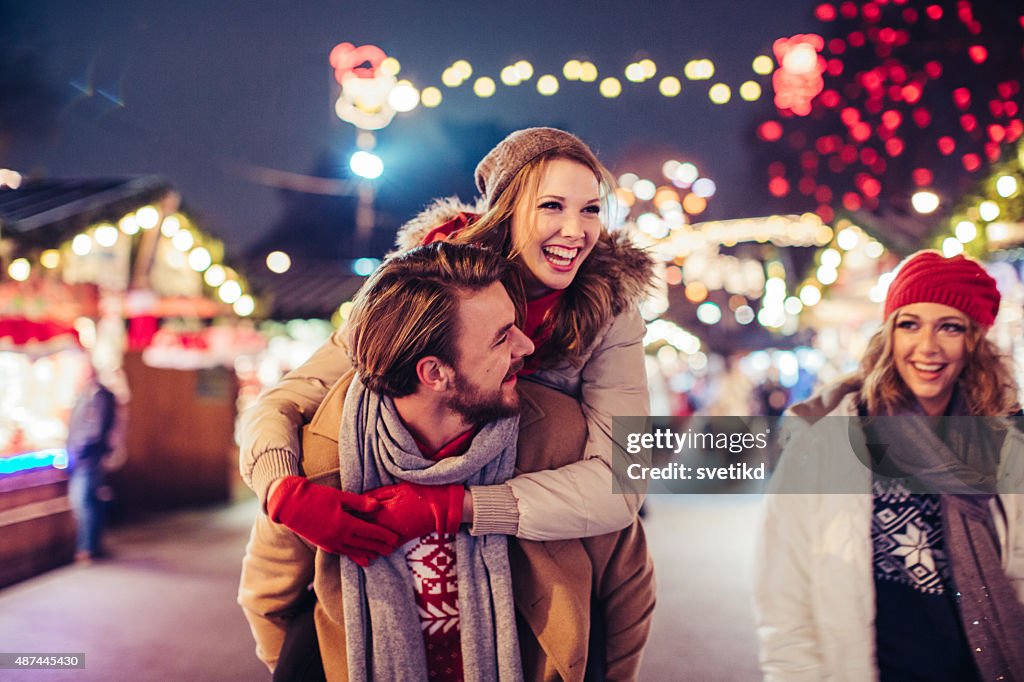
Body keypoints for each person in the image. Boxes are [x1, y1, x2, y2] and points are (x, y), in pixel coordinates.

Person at [238, 242, 655, 680]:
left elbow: (627, 585)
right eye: (501, 337)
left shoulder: (558, 436)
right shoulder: (323, 458)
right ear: (434, 373)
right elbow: (266, 600)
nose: (526, 345)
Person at [239, 126, 653, 546]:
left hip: (535, 536)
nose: (575, 230)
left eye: (590, 210)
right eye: (551, 206)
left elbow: (622, 480)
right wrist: (281, 491)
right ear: (504, 212)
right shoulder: (421, 287)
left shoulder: (609, 308)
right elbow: (287, 399)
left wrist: (458, 506)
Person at [754, 250, 1024, 680]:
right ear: (889, 334)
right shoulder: (825, 441)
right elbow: (785, 600)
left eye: (949, 327)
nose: (927, 347)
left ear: (973, 340)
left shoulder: (1007, 444)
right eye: (909, 324)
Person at [66, 359, 119, 562]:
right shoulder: (83, 395)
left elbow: (96, 430)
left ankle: (87, 547)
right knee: (90, 500)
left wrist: (80, 450)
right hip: (82, 455)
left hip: (89, 457)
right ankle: (92, 545)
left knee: (83, 501)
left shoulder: (100, 396)